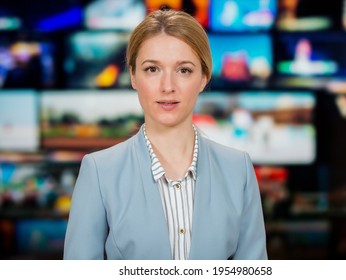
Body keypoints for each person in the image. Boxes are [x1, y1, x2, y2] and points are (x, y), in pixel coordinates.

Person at [63, 9, 267, 260]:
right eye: (152, 69)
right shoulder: (98, 171)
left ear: (204, 78)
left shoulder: (238, 169)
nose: (168, 86)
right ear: (133, 76)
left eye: (183, 70)